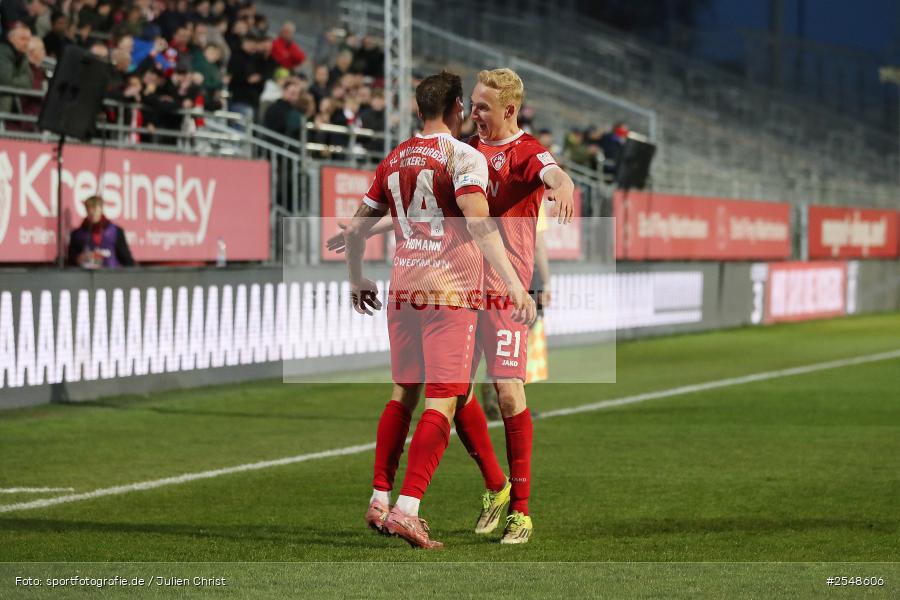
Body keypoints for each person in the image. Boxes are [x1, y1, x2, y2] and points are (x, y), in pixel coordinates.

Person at [342, 71, 535, 549]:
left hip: (402, 290)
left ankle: (380, 498)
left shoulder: (396, 156)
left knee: (402, 394)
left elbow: (352, 231)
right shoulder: (463, 155)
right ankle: (408, 509)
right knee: (444, 400)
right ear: (455, 107)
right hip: (449, 293)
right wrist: (515, 285)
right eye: (466, 105)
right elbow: (479, 224)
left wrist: (356, 278)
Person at [465, 67, 574, 544]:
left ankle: (522, 512)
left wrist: (563, 183)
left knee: (508, 393)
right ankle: (496, 485)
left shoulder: (526, 151)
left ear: (509, 110)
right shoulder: (465, 152)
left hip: (508, 293)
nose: (474, 114)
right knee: (453, 394)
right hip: (461, 287)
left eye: (483, 107)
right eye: (472, 105)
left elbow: (550, 170)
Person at [68, 196, 135, 268]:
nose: (92, 212)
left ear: (101, 209)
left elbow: (126, 258)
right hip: (87, 276)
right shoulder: (77, 234)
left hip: (112, 275)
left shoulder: (116, 231)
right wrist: (78, 258)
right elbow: (71, 260)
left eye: (95, 208)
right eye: (89, 209)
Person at [0, 23, 33, 118]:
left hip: (11, 108)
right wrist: (19, 78)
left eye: (28, 39)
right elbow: (5, 81)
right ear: (11, 38)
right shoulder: (2, 52)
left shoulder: (22, 55)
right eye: (22, 39)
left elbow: (29, 82)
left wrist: (13, 78)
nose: (26, 43)